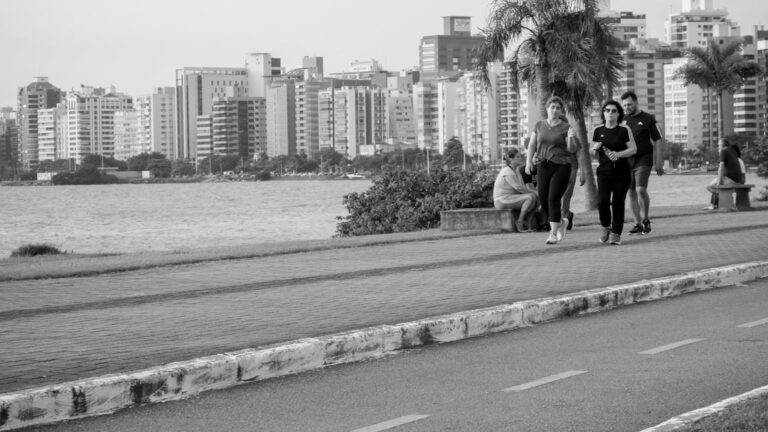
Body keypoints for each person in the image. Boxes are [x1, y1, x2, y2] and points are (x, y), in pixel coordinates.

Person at [525, 96, 578, 245]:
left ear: (561, 111)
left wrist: (571, 138)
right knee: (543, 199)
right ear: (547, 108)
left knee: (553, 198)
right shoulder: (539, 125)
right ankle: (561, 222)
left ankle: (553, 233)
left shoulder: (566, 128)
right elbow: (532, 145)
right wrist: (529, 162)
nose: (555, 110)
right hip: (543, 166)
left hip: (561, 166)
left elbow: (572, 149)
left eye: (558, 108)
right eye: (552, 107)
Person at [591, 100, 637, 245]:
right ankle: (606, 226)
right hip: (604, 172)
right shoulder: (598, 130)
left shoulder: (624, 130)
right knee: (602, 201)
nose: (610, 113)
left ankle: (616, 233)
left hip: (621, 172)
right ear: (603, 113)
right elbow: (592, 153)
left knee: (618, 202)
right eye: (607, 110)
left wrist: (618, 154)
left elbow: (633, 149)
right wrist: (595, 148)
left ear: (618, 114)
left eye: (613, 111)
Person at [621, 91, 664, 236]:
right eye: (624, 105)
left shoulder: (648, 119)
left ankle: (646, 219)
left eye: (629, 105)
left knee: (640, 189)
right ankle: (637, 224)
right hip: (627, 160)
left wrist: (659, 161)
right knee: (630, 191)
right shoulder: (622, 119)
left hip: (644, 158)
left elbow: (658, 139)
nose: (626, 107)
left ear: (636, 102)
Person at [493, 147, 539, 232]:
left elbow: (522, 187)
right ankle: (520, 222)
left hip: (511, 197)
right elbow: (519, 188)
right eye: (517, 157)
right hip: (501, 200)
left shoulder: (516, 171)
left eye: (520, 156)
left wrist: (535, 194)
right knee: (530, 197)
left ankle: (528, 223)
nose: (520, 158)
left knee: (537, 199)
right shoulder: (507, 171)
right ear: (511, 159)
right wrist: (534, 192)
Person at [705, 138, 745, 210]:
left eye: (718, 145)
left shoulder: (723, 151)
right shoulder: (733, 152)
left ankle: (723, 200)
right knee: (717, 184)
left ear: (723, 145)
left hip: (731, 180)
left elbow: (721, 168)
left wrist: (719, 182)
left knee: (710, 186)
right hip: (737, 180)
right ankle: (717, 203)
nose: (718, 147)